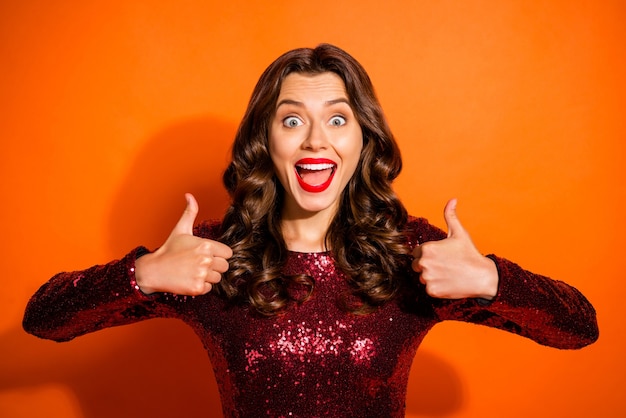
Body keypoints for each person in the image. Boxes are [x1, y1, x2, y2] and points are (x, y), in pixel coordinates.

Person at [23, 44, 598, 417]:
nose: (315, 140)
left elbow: (578, 328)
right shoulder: (214, 257)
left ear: (363, 141)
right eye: (292, 119)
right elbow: (44, 319)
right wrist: (141, 273)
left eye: (338, 119)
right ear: (266, 142)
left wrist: (493, 279)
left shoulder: (411, 257)